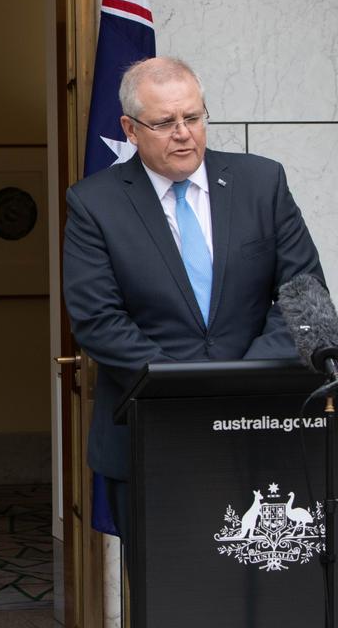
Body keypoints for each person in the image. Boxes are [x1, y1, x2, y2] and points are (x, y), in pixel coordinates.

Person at [62, 56, 324, 558]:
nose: (183, 134)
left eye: (194, 117)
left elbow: (303, 295)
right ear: (130, 130)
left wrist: (238, 385)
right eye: (164, 123)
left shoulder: (262, 182)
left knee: (262, 589)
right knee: (170, 592)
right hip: (150, 437)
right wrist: (187, 390)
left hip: (260, 428)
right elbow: (98, 320)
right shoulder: (94, 204)